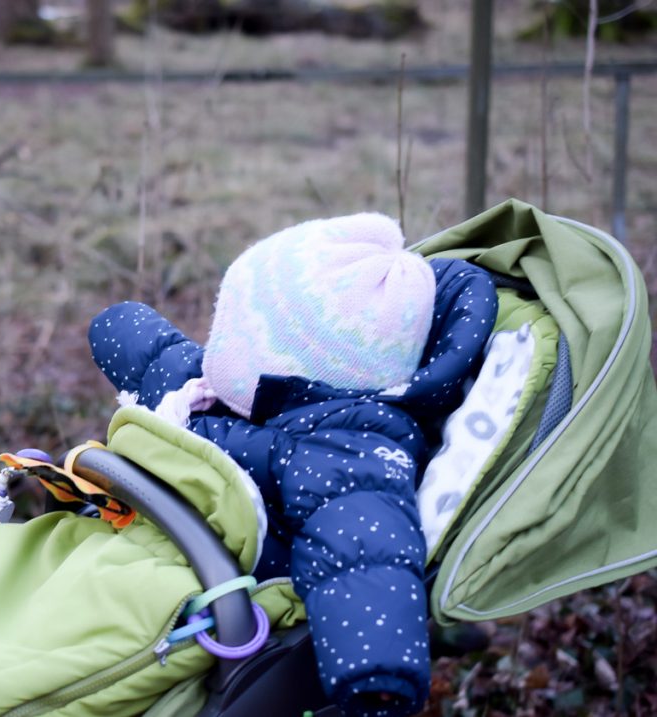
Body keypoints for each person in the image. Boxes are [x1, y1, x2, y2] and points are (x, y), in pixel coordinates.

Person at [88, 213, 498, 717]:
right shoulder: (217, 390)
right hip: (130, 543)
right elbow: (158, 358)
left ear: (288, 363)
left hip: (195, 602)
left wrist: (376, 672)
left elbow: (364, 553)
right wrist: (115, 324)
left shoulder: (344, 452)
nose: (213, 347)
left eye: (233, 335)